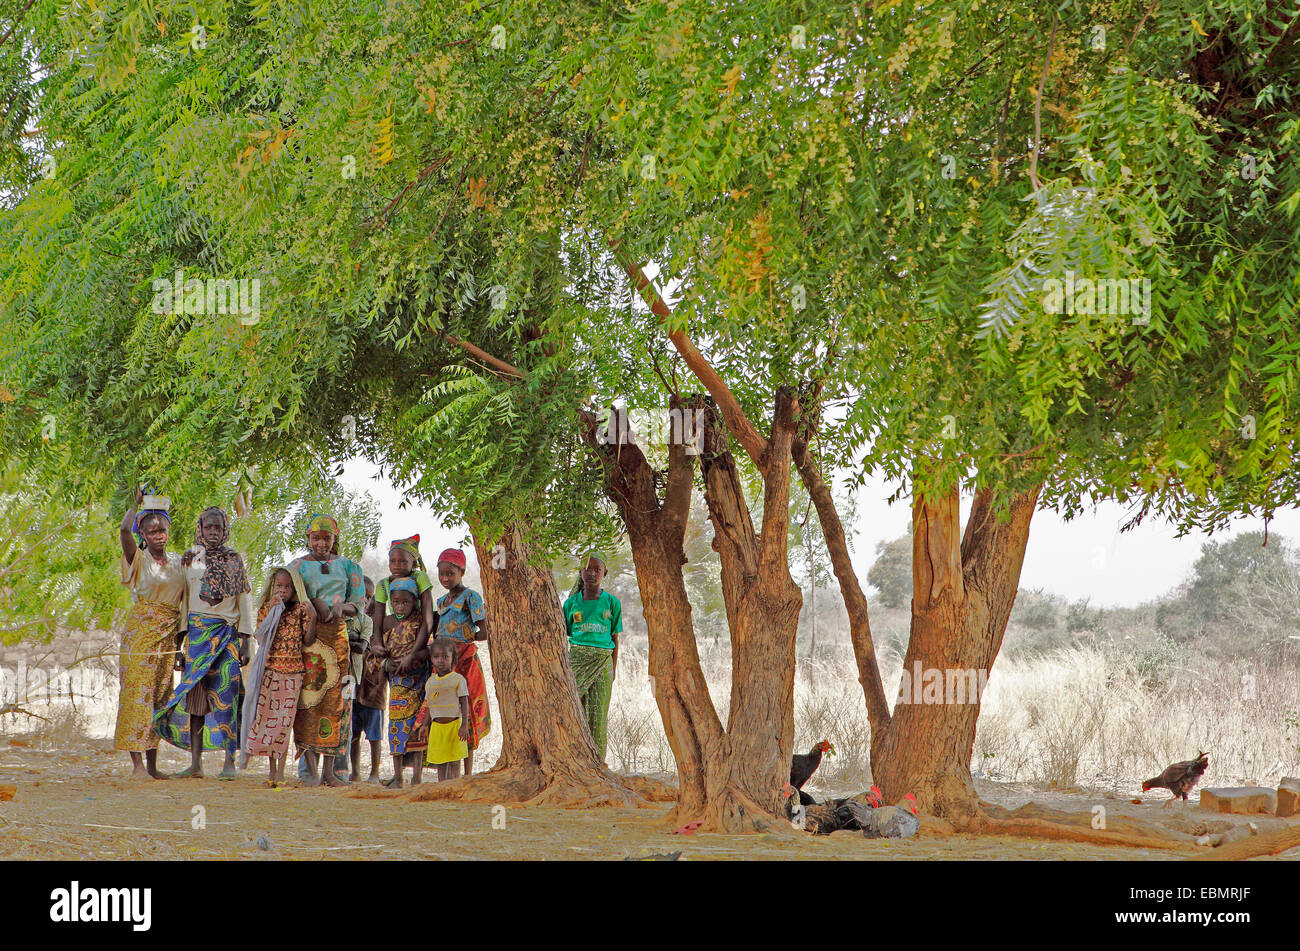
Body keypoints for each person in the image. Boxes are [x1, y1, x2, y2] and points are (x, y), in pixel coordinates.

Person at [154, 507, 253, 779]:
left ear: (225, 530)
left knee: (226, 698)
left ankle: (229, 763)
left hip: (226, 636)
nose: (212, 532)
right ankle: (195, 764)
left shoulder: (235, 560)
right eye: (208, 527)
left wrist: (246, 641)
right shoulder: (189, 558)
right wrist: (179, 643)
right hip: (196, 637)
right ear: (200, 528)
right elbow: (184, 601)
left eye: (217, 528)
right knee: (195, 701)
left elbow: (244, 600)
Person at [114, 488, 187, 780]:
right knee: (137, 695)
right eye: (151, 529)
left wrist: (181, 640)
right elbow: (122, 530)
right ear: (142, 533)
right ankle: (137, 766)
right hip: (141, 633)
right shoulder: (139, 559)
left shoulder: (181, 561)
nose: (158, 534)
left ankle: (154, 766)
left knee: (159, 696)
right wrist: (136, 504)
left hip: (168, 636)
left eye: (162, 528)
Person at [289, 514, 364, 788]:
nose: (321, 543)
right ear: (308, 538)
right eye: (316, 538)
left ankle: (331, 772)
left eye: (327, 538)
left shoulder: (348, 567)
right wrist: (313, 605)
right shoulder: (296, 567)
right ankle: (307, 772)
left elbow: (358, 604)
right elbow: (289, 600)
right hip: (307, 641)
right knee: (307, 701)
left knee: (338, 703)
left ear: (335, 539)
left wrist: (338, 608)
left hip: (338, 641)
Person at [241, 567, 317, 786]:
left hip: (293, 674)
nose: (283, 591)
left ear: (295, 589)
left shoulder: (300, 610)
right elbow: (261, 636)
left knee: (284, 724)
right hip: (271, 672)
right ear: (273, 587)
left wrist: (311, 617)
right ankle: (271, 773)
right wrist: (272, 612)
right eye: (279, 586)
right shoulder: (268, 608)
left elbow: (308, 640)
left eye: (287, 587)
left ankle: (281, 773)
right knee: (267, 723)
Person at [434, 548, 490, 776]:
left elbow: (484, 630)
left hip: (465, 660)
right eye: (442, 574)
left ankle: (467, 773)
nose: (445, 578)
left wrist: (467, 637)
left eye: (451, 573)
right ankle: (448, 768)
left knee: (467, 712)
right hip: (444, 663)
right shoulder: (440, 601)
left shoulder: (471, 597)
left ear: (462, 572)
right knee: (446, 713)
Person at [563, 553, 622, 761]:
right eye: (587, 568)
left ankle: (597, 764)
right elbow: (567, 633)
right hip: (577, 661)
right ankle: (572, 760)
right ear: (580, 573)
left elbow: (614, 637)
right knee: (568, 709)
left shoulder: (612, 603)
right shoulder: (571, 604)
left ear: (604, 573)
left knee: (598, 717)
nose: (592, 573)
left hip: (603, 663)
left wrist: (613, 669)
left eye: (597, 569)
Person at [377, 577, 429, 786]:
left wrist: (414, 658)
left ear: (414, 601)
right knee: (396, 727)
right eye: (395, 602)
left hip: (418, 680)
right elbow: (377, 654)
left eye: (405, 602)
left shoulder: (420, 622)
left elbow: (430, 649)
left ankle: (416, 778)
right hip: (397, 684)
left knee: (417, 728)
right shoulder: (387, 622)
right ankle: (398, 777)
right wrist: (387, 665)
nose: (400, 606)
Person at [413, 636, 470, 781]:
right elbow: (430, 705)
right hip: (437, 728)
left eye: (445, 657)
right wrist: (425, 725)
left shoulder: (458, 680)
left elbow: (464, 703)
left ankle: (454, 787)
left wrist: (464, 725)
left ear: (453, 658)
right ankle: (442, 788)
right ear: (431, 659)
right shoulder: (431, 682)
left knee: (455, 760)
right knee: (441, 761)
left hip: (455, 727)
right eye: (436, 657)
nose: (440, 660)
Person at [346, 576, 384, 783]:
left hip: (375, 689)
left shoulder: (379, 627)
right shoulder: (349, 623)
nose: (366, 602)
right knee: (353, 733)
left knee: (375, 735)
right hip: (353, 688)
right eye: (363, 597)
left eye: (370, 598)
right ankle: (355, 771)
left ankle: (375, 773)